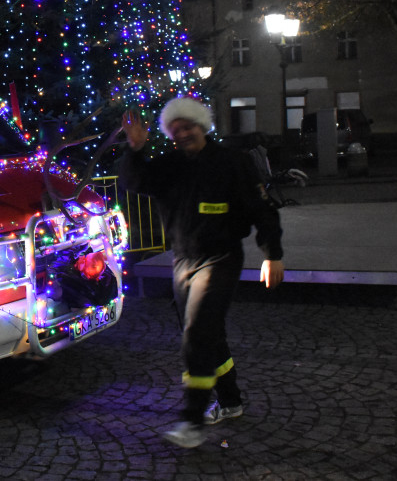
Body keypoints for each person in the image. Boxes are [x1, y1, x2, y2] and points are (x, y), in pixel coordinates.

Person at [118, 97, 285, 449]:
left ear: (202, 126)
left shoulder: (232, 162)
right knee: (208, 334)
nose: (182, 134)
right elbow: (134, 181)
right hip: (183, 261)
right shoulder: (170, 166)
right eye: (175, 129)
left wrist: (273, 254)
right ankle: (230, 401)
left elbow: (262, 209)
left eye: (188, 127)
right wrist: (135, 149)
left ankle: (192, 421)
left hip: (221, 257)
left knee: (196, 334)